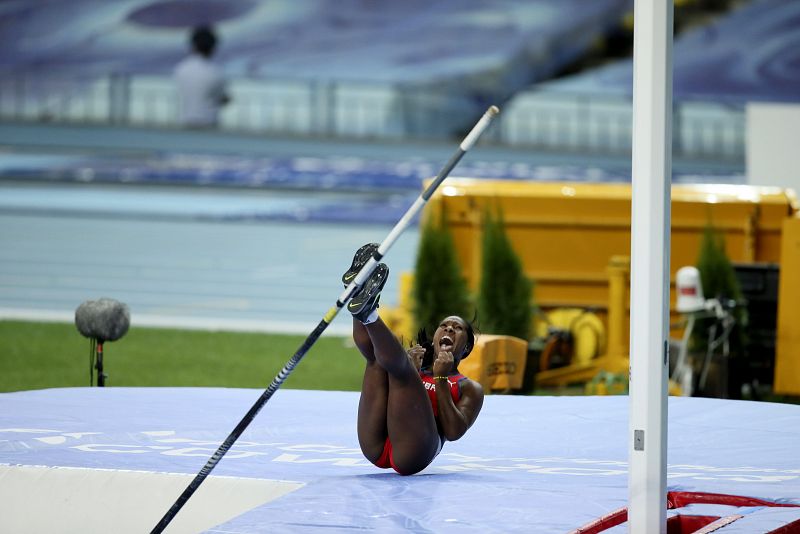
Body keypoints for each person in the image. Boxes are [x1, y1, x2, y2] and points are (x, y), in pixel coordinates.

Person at [343, 243, 485, 475]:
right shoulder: (415, 361)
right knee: (377, 361)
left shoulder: (469, 388)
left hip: (415, 452)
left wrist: (440, 378)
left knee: (402, 370)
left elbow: (453, 432)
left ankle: (368, 312)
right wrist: (414, 371)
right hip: (375, 442)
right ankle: (358, 298)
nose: (449, 329)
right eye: (444, 326)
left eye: (457, 328)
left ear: (467, 347)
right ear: (435, 337)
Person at [173, 26, 230, 128]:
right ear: (213, 48)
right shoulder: (216, 72)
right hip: (209, 122)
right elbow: (223, 99)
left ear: (193, 46)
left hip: (185, 121)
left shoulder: (181, 68)